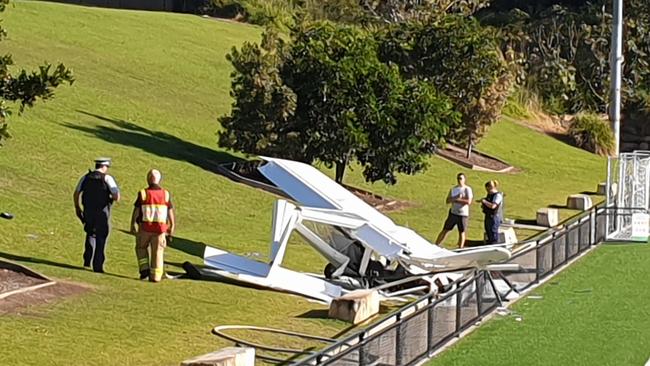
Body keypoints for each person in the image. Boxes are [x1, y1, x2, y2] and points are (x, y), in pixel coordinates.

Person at [73, 158, 121, 273]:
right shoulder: (107, 178)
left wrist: (77, 207)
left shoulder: (86, 177)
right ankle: (98, 265)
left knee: (90, 233)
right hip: (102, 213)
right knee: (101, 237)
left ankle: (87, 261)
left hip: (88, 211)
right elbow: (116, 196)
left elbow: (76, 193)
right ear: (104, 167)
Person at [130, 169, 175, 282]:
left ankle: (144, 270)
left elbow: (136, 210)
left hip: (145, 228)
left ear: (148, 179)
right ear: (159, 180)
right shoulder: (165, 194)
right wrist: (172, 226)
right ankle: (155, 276)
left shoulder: (143, 193)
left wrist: (132, 224)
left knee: (141, 248)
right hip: (160, 230)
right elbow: (170, 211)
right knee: (158, 252)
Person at [436, 173, 473, 248]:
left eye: (461, 178)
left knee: (462, 232)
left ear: (464, 179)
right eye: (458, 178)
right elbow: (448, 200)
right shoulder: (453, 189)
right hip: (453, 213)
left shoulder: (467, 189)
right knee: (445, 229)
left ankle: (460, 248)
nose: (459, 180)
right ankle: (436, 245)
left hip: (463, 214)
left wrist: (456, 200)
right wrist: (456, 197)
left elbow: (468, 202)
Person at [480, 180, 503, 244]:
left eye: (487, 189)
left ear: (490, 187)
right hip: (488, 217)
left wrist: (484, 202)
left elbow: (493, 206)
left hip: (494, 218)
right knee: (488, 234)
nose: (487, 191)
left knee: (493, 236)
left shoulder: (497, 196)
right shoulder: (489, 195)